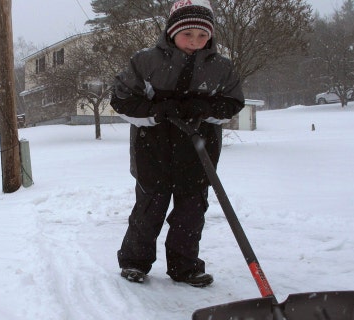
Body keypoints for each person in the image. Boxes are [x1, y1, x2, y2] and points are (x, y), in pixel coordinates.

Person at [110, 0, 244, 288]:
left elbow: (233, 103)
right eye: (188, 34)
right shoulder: (146, 62)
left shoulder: (220, 67)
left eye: (202, 35)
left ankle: (185, 267)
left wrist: (204, 108)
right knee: (149, 209)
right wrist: (156, 111)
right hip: (153, 149)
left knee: (191, 212)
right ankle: (135, 262)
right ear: (172, 31)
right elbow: (121, 100)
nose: (195, 42)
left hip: (198, 150)